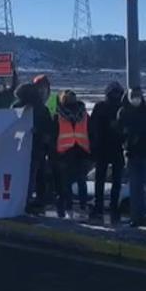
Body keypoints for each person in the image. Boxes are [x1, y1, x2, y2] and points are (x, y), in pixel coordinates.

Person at [118, 87, 146, 229]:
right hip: (132, 155)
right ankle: (136, 217)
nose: (136, 98)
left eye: (138, 95)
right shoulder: (123, 112)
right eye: (133, 96)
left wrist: (141, 137)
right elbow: (120, 132)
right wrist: (128, 140)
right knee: (135, 189)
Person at [12, 82, 55, 214]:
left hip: (29, 147)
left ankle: (27, 200)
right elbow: (50, 128)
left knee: (29, 175)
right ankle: (33, 200)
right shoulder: (41, 108)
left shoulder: (19, 106)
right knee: (35, 175)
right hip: (35, 148)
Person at [88, 81, 125, 223]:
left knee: (111, 180)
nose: (116, 95)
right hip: (105, 147)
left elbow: (125, 127)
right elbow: (94, 128)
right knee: (103, 179)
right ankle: (103, 205)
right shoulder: (102, 107)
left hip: (112, 147)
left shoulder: (119, 108)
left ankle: (108, 205)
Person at [52, 90, 90, 218]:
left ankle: (69, 207)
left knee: (67, 183)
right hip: (79, 150)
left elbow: (53, 134)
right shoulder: (83, 113)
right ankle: (81, 206)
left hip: (67, 151)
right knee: (79, 181)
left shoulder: (59, 114)